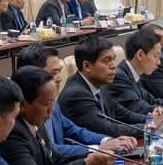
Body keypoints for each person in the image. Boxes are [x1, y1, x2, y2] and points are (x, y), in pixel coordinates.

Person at [13, 44, 143, 158]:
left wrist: (106, 141)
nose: (59, 78)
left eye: (59, 72)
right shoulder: (25, 115)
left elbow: (74, 130)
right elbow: (50, 149)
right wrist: (98, 149)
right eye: (53, 73)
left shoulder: (53, 103)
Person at [1, 66, 114, 165]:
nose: (52, 110)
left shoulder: (35, 122)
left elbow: (53, 157)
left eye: (53, 102)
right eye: (46, 104)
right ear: (23, 105)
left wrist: (91, 156)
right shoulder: (13, 132)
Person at [66, 34, 163, 137]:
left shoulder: (99, 84)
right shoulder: (76, 94)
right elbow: (107, 129)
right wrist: (148, 127)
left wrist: (152, 119)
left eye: (113, 59)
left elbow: (122, 114)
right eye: (107, 60)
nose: (113, 66)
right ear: (87, 66)